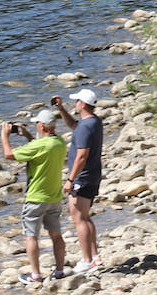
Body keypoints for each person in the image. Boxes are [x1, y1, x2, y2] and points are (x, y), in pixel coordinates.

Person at [0, 109, 67, 284]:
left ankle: (35, 275)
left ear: (42, 125)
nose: (36, 125)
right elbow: (40, 147)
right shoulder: (59, 142)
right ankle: (59, 271)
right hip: (54, 197)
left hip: (36, 197)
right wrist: (28, 135)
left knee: (32, 236)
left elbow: (9, 155)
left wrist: (4, 135)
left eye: (37, 123)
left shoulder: (38, 146)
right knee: (56, 235)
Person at [52, 87, 103, 273]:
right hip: (93, 175)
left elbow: (82, 156)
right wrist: (61, 109)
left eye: (76, 102)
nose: (75, 104)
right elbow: (74, 125)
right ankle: (95, 257)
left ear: (82, 104)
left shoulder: (86, 126)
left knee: (79, 219)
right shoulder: (94, 122)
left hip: (82, 177)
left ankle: (87, 260)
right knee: (86, 217)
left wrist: (70, 180)